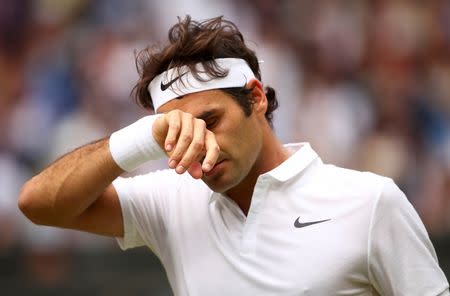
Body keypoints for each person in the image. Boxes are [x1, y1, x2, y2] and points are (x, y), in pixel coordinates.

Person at [19, 16, 449, 295]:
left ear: (256, 98)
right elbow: (37, 204)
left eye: (209, 120)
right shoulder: (169, 201)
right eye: (175, 132)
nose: (199, 145)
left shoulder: (371, 201)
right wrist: (140, 139)